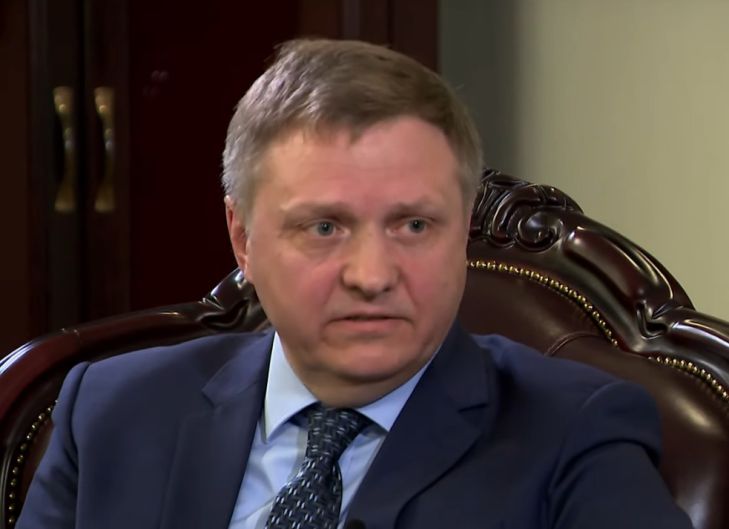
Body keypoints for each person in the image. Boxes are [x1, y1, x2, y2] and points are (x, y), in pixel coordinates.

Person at [17, 39, 693, 529]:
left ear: (461, 231)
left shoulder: (573, 434)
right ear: (242, 238)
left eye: (414, 225)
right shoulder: (111, 411)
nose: (372, 276)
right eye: (324, 228)